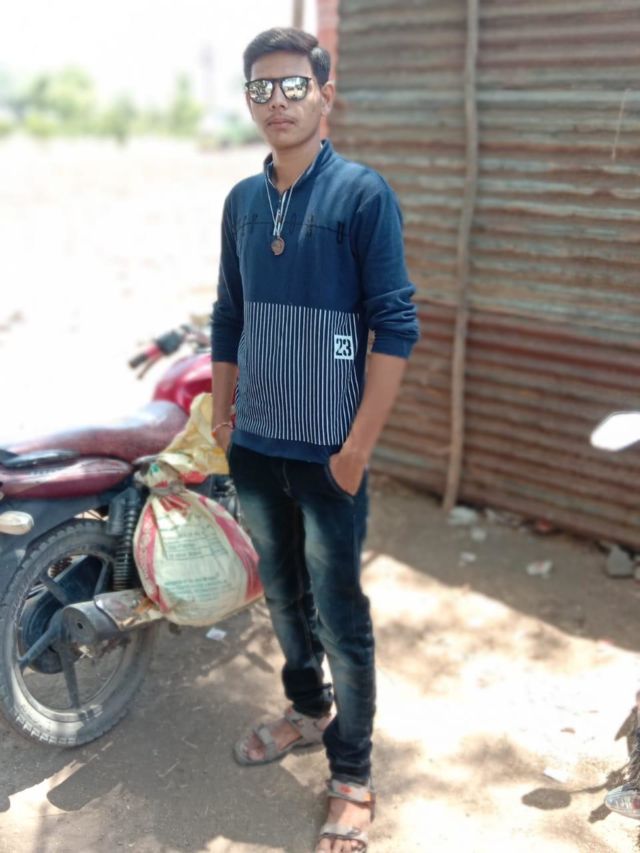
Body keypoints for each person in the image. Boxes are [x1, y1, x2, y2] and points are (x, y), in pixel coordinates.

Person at [211, 27, 419, 853]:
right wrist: (224, 413)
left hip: (331, 455)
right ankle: (306, 709)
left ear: (325, 94)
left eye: (293, 85)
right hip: (257, 446)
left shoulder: (363, 195)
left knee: (339, 611)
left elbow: (395, 324)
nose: (277, 102)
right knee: (281, 593)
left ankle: (354, 772)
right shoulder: (241, 201)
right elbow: (229, 312)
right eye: (260, 88)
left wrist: (356, 450)